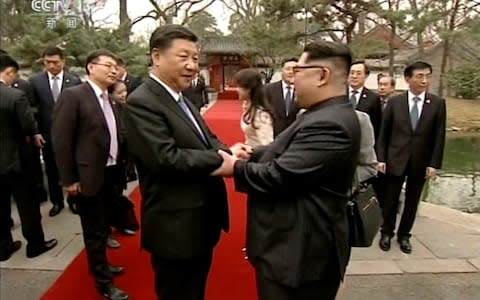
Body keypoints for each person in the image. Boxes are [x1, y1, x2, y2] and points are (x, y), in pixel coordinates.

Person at [212, 41, 361, 300]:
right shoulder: (321, 113)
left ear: (322, 75)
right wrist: (254, 153)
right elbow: (292, 154)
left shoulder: (330, 123)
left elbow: (281, 176)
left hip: (299, 252)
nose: (291, 80)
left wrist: (234, 168)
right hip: (294, 247)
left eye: (298, 71)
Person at [124, 25, 250, 300]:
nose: (192, 66)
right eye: (184, 57)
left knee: (195, 289)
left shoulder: (182, 99)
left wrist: (227, 150)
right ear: (157, 56)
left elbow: (209, 138)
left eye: (195, 58)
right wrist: (221, 160)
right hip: (175, 226)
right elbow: (165, 158)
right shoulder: (142, 102)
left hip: (199, 220)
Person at [52, 50, 129, 300]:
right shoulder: (74, 96)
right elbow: (61, 141)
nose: (113, 70)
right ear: (90, 67)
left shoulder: (110, 99)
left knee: (103, 225)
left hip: (110, 173)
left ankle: (100, 266)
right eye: (107, 65)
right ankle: (104, 283)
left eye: (115, 66)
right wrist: (69, 180)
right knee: (94, 229)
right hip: (87, 175)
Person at [377, 61, 446, 254]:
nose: (424, 80)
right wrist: (381, 158)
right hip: (395, 158)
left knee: (412, 201)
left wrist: (434, 164)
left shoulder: (438, 104)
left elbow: (439, 136)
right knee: (390, 199)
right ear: (408, 79)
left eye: (428, 76)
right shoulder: (394, 102)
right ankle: (387, 232)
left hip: (421, 161)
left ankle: (404, 235)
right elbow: (384, 134)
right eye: (420, 76)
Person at [0, 54, 58, 261]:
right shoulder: (14, 96)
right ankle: (35, 244)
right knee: (28, 204)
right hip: (16, 160)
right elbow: (28, 125)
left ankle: (3, 246)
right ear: (9, 72)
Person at [30, 46, 82, 216]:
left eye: (55, 62)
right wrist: (36, 132)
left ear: (63, 62)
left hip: (70, 135)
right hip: (47, 134)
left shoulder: (73, 81)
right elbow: (32, 109)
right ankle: (57, 202)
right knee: (52, 170)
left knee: (71, 168)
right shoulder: (36, 82)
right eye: (48, 62)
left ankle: (74, 201)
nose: (51, 66)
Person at [234, 68, 274, 148]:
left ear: (249, 89)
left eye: (239, 86)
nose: (236, 89)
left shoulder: (261, 115)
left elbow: (267, 145)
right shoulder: (247, 106)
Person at [265, 58, 299, 137]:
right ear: (281, 70)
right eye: (288, 69)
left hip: (296, 135)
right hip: (273, 135)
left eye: (294, 69)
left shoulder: (305, 90)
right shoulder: (268, 89)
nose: (291, 72)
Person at [347, 61, 382, 139]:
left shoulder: (373, 98)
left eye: (358, 73)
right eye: (352, 73)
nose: (354, 76)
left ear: (366, 76)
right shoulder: (339, 93)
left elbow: (376, 126)